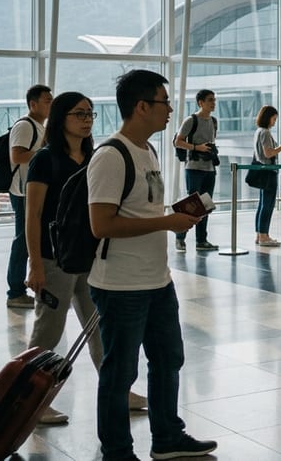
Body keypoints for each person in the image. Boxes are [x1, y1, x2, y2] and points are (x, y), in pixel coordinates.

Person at [87, 69, 216, 461]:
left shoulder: (149, 151)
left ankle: (167, 437)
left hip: (157, 280)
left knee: (168, 360)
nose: (170, 110)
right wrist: (166, 222)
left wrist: (175, 213)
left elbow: (142, 208)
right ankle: (117, 450)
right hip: (120, 285)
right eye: (164, 103)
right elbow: (101, 224)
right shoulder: (112, 154)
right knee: (120, 373)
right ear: (141, 106)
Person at [24, 92, 147, 426]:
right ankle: (32, 401)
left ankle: (118, 391)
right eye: (79, 113)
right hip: (54, 258)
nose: (87, 119)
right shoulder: (45, 160)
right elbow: (32, 214)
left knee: (103, 331)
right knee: (48, 332)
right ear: (61, 117)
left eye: (90, 113)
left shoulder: (95, 157)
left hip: (92, 258)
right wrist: (34, 262)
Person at [7, 84, 53, 309]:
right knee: (23, 242)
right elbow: (17, 156)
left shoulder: (40, 127)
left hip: (33, 190)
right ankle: (15, 291)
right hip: (23, 192)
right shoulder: (25, 126)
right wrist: (46, 153)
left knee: (28, 240)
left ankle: (21, 288)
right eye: (47, 101)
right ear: (33, 104)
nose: (50, 104)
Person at [172, 90, 219, 252]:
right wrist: (196, 147)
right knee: (192, 205)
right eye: (210, 100)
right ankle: (180, 237)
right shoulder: (191, 120)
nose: (213, 103)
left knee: (206, 205)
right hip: (193, 167)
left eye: (214, 100)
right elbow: (178, 142)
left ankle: (201, 240)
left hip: (210, 168)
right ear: (200, 102)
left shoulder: (213, 121)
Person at [253, 105, 281, 246]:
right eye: (274, 119)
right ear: (268, 118)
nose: (274, 122)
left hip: (262, 170)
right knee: (268, 204)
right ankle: (264, 236)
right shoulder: (266, 133)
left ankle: (260, 234)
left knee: (263, 204)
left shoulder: (258, 131)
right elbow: (269, 153)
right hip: (268, 171)